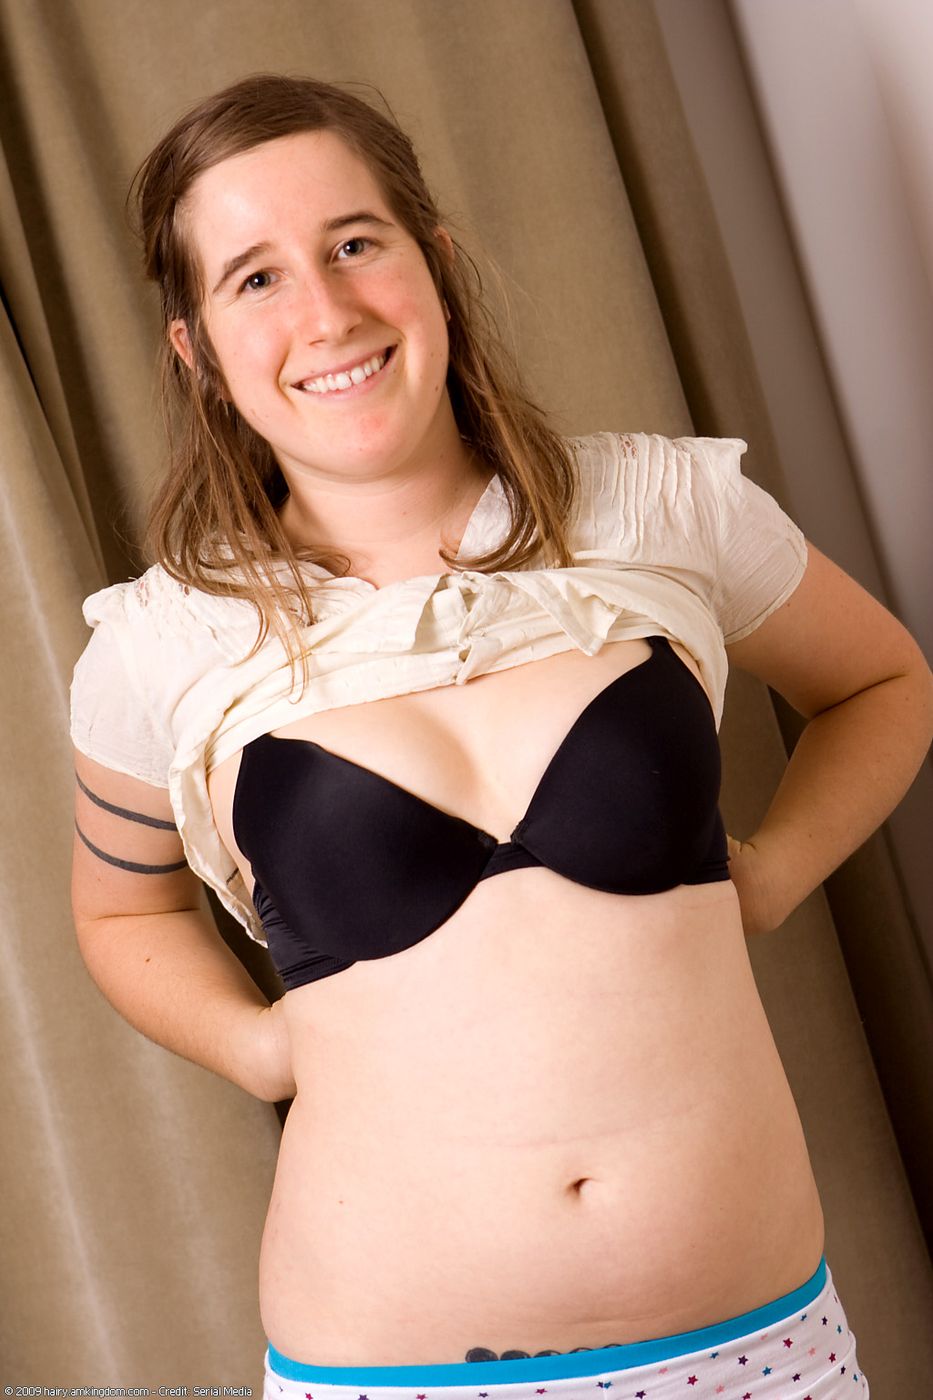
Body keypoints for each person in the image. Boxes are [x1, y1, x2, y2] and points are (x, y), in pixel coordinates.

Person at [69, 73, 931, 1400]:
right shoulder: (161, 641)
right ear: (197, 350)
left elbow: (881, 681)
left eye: (356, 243)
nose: (327, 312)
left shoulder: (658, 507)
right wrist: (256, 1045)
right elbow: (123, 910)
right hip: (396, 1374)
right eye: (256, 278)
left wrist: (768, 875)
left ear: (436, 263)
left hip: (760, 1354)